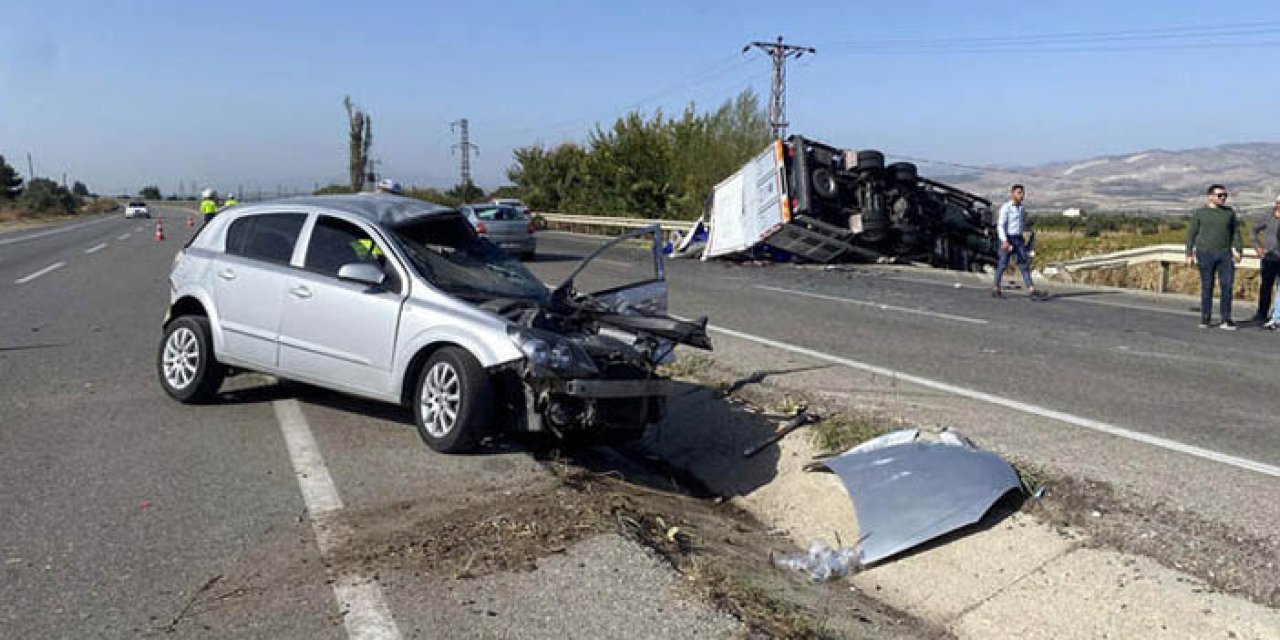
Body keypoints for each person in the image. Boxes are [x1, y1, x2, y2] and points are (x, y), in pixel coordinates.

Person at [1185, 184, 1243, 330]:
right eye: (1219, 195)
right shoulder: (1200, 213)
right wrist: (1189, 253)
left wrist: (1238, 249)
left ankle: (1226, 319)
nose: (1223, 198)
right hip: (1205, 253)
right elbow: (1192, 233)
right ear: (1210, 196)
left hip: (1225, 254)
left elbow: (1235, 232)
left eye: (1225, 195)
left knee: (1227, 286)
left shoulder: (1229, 213)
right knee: (1207, 286)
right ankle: (1206, 317)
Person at [992, 184, 1046, 299]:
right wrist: (1004, 241)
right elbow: (1000, 225)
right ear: (1012, 194)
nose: (1021, 195)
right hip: (1007, 238)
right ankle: (996, 289)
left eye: (1022, 193)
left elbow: (1020, 225)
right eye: (1019, 193)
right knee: (1003, 264)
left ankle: (1031, 290)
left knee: (1024, 264)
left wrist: (1028, 232)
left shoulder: (1021, 209)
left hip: (1018, 239)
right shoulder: (1006, 208)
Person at [1250, 195, 1280, 327]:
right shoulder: (1268, 215)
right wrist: (1257, 246)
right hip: (1269, 256)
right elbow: (1254, 230)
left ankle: (1276, 316)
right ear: (1276, 203)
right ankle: (1261, 314)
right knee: (1266, 286)